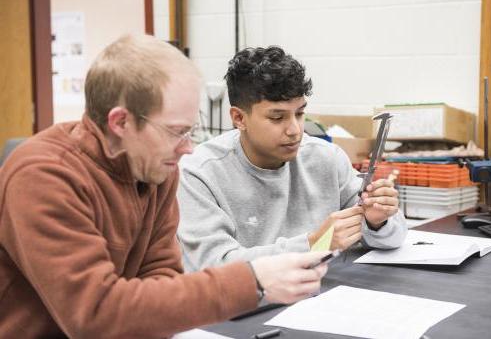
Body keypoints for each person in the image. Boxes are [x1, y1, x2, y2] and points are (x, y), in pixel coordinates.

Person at [0, 35, 330, 338]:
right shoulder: (43, 177)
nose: (187, 148)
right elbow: (95, 314)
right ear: (121, 122)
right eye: (176, 131)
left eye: (190, 130)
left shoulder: (153, 167)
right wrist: (252, 280)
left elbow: (162, 280)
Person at [177, 46, 407, 271]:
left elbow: (393, 238)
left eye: (299, 113)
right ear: (239, 118)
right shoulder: (199, 172)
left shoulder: (326, 157)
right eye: (277, 117)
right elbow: (213, 265)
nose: (295, 130)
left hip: (323, 293)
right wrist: (312, 244)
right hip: (247, 305)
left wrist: (378, 222)